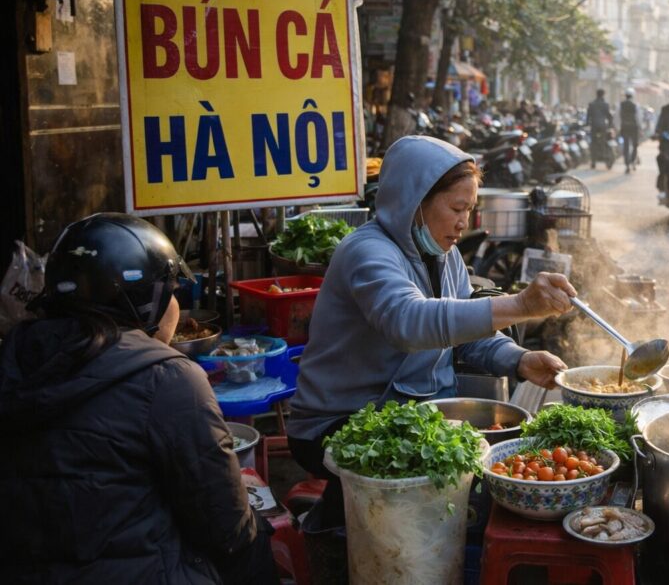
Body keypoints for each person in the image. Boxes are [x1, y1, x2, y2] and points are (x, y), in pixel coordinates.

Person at [287, 136, 575, 525]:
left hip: (413, 412)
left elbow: (465, 336)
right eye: (456, 208)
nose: (464, 223)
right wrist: (521, 305)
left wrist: (519, 360)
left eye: (470, 210)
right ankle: (336, 533)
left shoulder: (445, 255)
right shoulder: (367, 252)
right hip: (339, 422)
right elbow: (409, 321)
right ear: (414, 200)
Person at [0, 213, 277, 584]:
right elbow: (227, 528)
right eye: (173, 292)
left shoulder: (14, 357)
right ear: (147, 301)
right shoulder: (167, 379)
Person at [585, 89, 614, 168]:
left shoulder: (592, 104)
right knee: (603, 141)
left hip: (594, 126)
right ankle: (604, 154)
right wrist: (610, 125)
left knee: (593, 143)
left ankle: (593, 162)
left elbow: (588, 116)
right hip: (603, 126)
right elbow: (609, 116)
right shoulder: (605, 104)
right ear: (603, 95)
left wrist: (587, 124)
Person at [619, 88, 641, 173]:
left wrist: (618, 127)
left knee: (626, 145)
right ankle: (632, 161)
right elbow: (638, 118)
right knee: (635, 145)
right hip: (633, 127)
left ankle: (627, 164)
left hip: (624, 127)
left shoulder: (620, 105)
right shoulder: (636, 105)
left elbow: (617, 117)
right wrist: (640, 128)